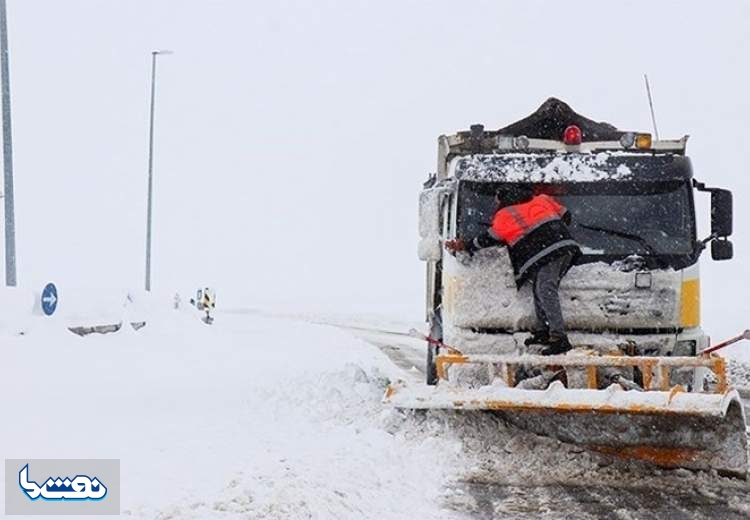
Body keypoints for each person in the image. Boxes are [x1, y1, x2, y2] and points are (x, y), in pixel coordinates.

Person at [445, 186, 580, 355]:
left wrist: (466, 244)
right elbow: (566, 215)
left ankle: (559, 338)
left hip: (550, 252)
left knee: (545, 289)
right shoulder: (542, 199)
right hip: (563, 247)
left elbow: (489, 238)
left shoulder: (505, 214)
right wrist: (552, 230)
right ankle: (542, 331)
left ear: (502, 199)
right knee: (539, 288)